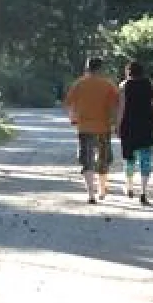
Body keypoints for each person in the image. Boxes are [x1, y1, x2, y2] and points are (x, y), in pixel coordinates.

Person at [63, 57, 119, 204]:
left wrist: (73, 118)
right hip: (103, 128)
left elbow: (69, 104)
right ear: (101, 68)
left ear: (87, 68)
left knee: (87, 161)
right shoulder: (108, 85)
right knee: (103, 159)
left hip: (84, 128)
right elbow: (115, 106)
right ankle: (102, 189)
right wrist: (115, 123)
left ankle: (91, 194)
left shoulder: (79, 84)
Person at [117, 60, 153, 205]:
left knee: (129, 157)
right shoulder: (150, 84)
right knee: (145, 158)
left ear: (128, 72)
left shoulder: (124, 86)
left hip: (129, 125)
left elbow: (121, 108)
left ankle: (129, 186)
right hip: (146, 124)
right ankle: (143, 191)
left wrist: (117, 125)